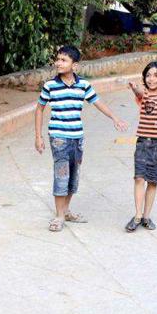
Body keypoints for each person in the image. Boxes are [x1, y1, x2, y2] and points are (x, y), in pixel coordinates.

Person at [35, 45, 128, 232]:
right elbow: (39, 109)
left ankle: (66, 210)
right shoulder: (50, 86)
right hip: (58, 138)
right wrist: (38, 136)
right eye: (58, 59)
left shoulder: (83, 85)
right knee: (61, 175)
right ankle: (59, 216)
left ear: (74, 65)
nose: (58, 63)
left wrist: (115, 118)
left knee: (73, 177)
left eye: (63, 60)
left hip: (77, 138)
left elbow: (98, 102)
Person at [125, 61, 157, 232]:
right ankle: (138, 215)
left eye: (156, 75)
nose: (151, 79)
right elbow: (139, 92)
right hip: (143, 142)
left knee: (153, 181)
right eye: (148, 75)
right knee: (139, 177)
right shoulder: (144, 93)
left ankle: (146, 216)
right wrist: (134, 87)